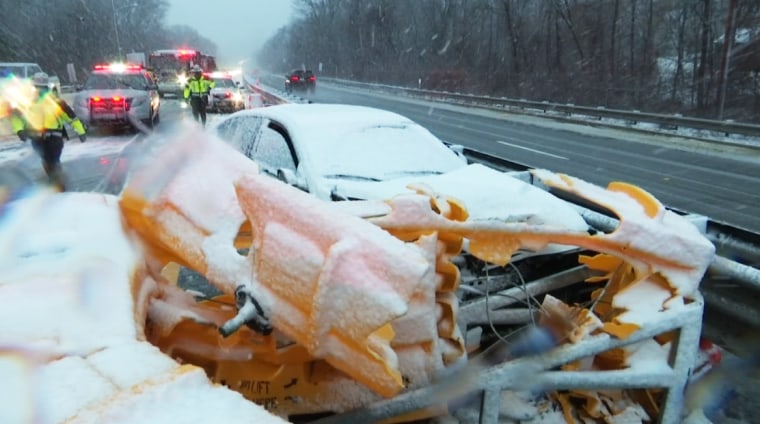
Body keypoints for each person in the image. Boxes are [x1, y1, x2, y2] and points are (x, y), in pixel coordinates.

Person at [9, 72, 87, 191]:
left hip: (55, 137)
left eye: (43, 87)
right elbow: (16, 117)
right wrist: (19, 130)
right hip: (36, 137)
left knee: (53, 160)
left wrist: (80, 131)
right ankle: (53, 180)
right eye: (37, 87)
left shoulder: (56, 102)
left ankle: (58, 184)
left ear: (47, 87)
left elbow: (71, 117)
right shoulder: (26, 102)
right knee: (46, 160)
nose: (40, 90)